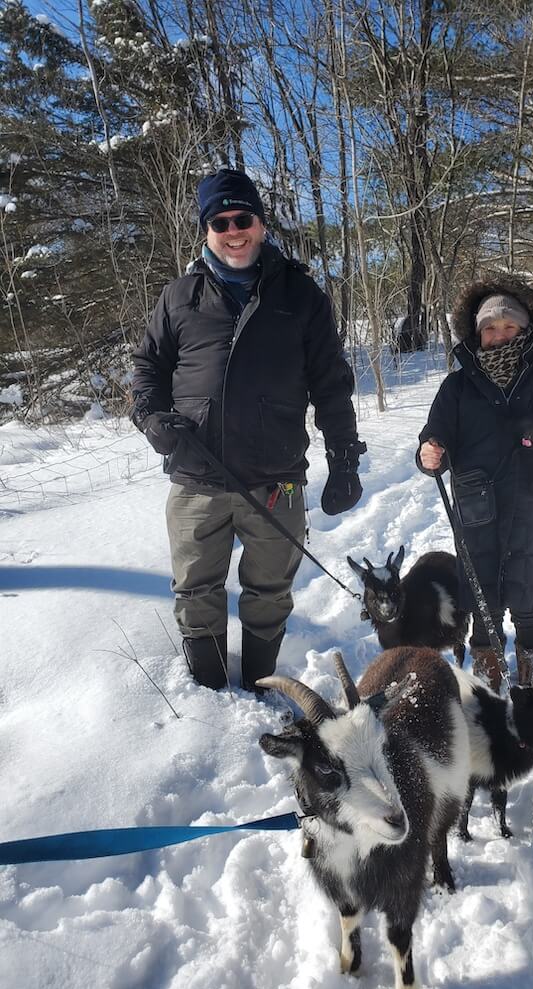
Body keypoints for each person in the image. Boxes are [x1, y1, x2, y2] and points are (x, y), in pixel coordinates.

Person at [131, 168, 365, 692]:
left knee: (270, 591)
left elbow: (331, 385)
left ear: (260, 223)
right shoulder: (178, 297)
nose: (234, 231)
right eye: (221, 221)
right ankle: (210, 691)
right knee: (196, 590)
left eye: (243, 218)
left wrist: (345, 459)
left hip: (274, 478)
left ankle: (261, 683)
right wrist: (152, 419)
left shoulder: (303, 297)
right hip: (196, 476)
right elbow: (147, 367)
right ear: (206, 229)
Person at [417, 274, 533, 689]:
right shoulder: (458, 388)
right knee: (484, 609)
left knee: (529, 607)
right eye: (490, 328)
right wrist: (429, 453)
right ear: (478, 334)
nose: (499, 336)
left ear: (526, 329)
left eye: (509, 326)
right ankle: (488, 694)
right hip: (476, 516)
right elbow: (432, 440)